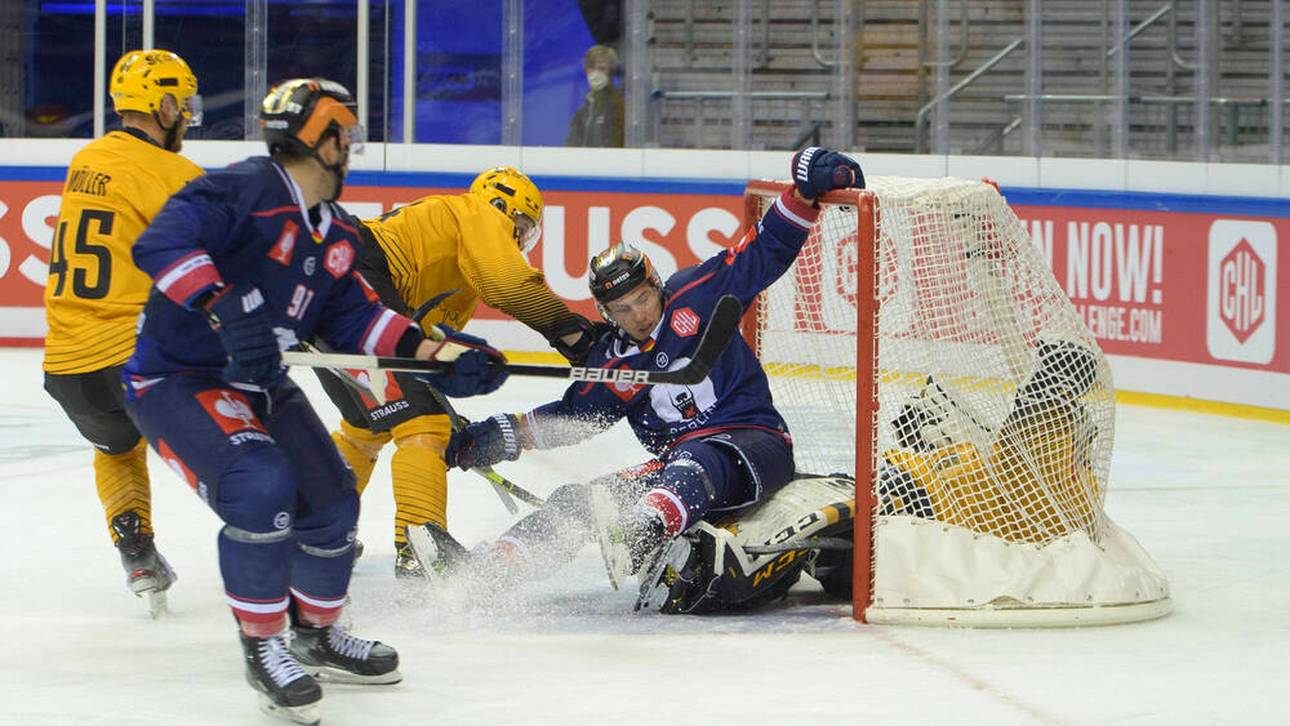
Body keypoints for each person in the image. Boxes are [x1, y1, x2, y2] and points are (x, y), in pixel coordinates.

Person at [121, 77, 507, 724]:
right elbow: (160, 243)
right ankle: (264, 646)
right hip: (178, 378)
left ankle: (316, 633)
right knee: (260, 484)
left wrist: (442, 360)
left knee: (330, 497)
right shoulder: (243, 189)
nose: (351, 147)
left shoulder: (335, 234)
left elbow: (361, 320)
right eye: (345, 134)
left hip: (259, 382)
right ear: (321, 140)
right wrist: (220, 302)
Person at [410, 147, 864, 609]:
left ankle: (641, 532)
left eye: (643, 299)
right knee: (580, 502)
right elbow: (571, 416)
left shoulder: (698, 295)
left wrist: (804, 195)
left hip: (754, 444)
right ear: (606, 313)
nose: (638, 315)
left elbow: (762, 252)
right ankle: (487, 572)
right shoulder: (612, 363)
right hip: (677, 474)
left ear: (656, 285)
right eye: (622, 310)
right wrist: (496, 435)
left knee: (694, 459)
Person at [317, 166, 603, 577]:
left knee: (370, 427)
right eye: (521, 225)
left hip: (341, 288)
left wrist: (449, 412)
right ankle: (418, 547)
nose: (520, 238)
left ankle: (314, 533)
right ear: (503, 205)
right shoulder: (476, 213)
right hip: (360, 287)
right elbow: (509, 284)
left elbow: (422, 351)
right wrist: (572, 335)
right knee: (423, 425)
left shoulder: (453, 262)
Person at [41, 49, 204, 613]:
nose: (186, 114)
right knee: (246, 450)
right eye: (181, 103)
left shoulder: (88, 157)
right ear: (162, 106)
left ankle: (137, 552)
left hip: (65, 366)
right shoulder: (175, 173)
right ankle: (298, 554)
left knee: (117, 448)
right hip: (134, 358)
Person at [879, 339, 1103, 543]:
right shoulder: (1074, 466)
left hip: (933, 496)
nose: (1031, 377)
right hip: (935, 490)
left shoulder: (1040, 426)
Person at [565, 45, 625, 148]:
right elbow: (572, 144)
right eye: (591, 68)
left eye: (601, 68)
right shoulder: (584, 111)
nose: (595, 73)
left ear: (611, 72)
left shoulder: (620, 105)